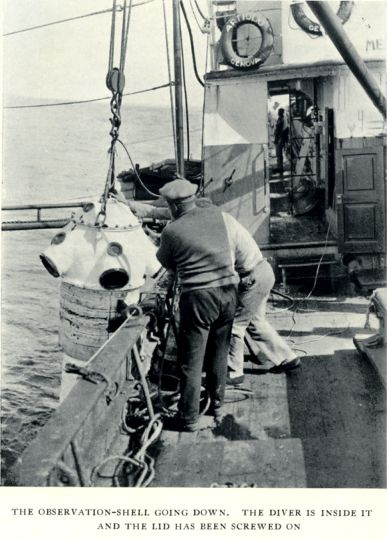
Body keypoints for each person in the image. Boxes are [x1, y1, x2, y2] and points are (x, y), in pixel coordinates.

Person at [156, 180, 238, 432]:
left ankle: (188, 417)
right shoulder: (216, 214)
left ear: (174, 206)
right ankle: (217, 405)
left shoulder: (171, 231)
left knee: (191, 361)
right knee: (219, 352)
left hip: (199, 297)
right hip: (228, 292)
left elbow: (166, 263)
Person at [224, 213, 300, 384]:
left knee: (235, 325)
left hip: (253, 277)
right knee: (256, 322)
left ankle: (234, 373)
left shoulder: (222, 230)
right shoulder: (226, 219)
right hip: (263, 271)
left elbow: (227, 267)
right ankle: (288, 358)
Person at [274, 108, 289, 175]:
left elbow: (279, 131)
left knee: (279, 154)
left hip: (280, 139)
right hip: (280, 139)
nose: (278, 113)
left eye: (279, 112)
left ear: (282, 113)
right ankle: (279, 167)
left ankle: (280, 168)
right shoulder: (281, 119)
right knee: (278, 154)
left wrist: (276, 139)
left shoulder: (281, 120)